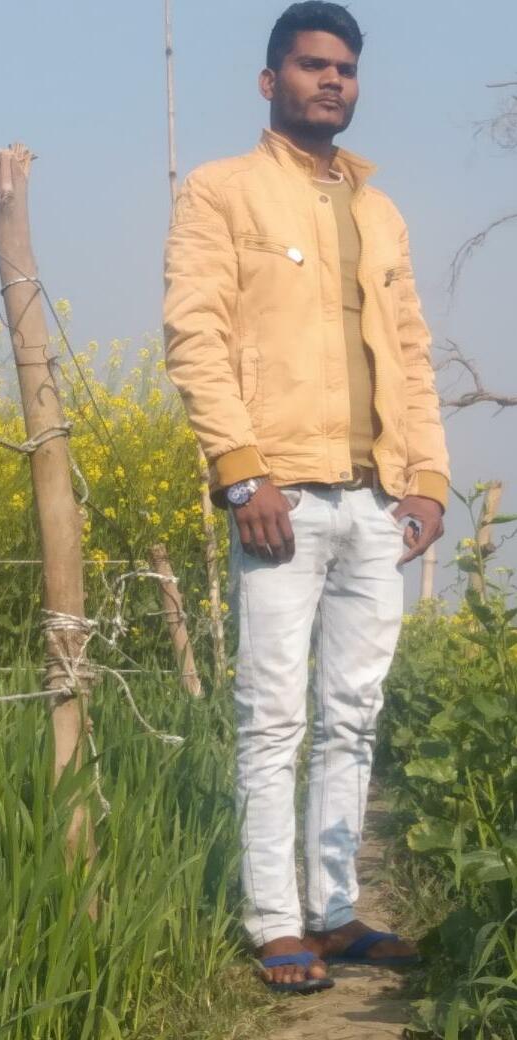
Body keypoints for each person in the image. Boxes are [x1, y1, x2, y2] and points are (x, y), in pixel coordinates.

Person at [164, 1, 449, 994]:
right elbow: (194, 334)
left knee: (354, 714)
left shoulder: (380, 211)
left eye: (346, 69)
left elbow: (411, 353)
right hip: (279, 494)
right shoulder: (221, 191)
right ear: (270, 79)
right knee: (273, 716)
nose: (332, 80)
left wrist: (430, 481)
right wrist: (241, 469)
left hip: (376, 502)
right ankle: (274, 921)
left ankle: (333, 912)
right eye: (312, 64)